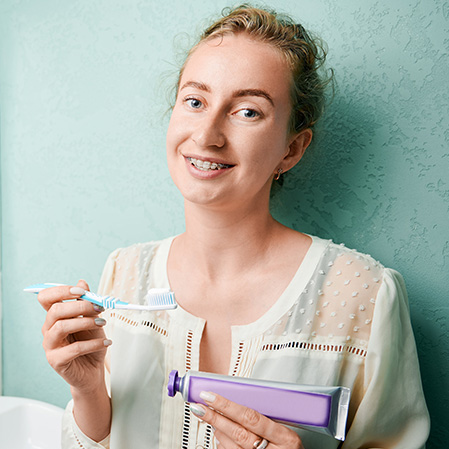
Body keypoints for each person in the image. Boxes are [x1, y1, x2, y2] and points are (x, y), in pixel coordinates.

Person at [37, 5, 430, 449]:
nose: (206, 135)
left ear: (292, 149)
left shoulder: (364, 296)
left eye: (247, 112)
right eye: (195, 101)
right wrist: (87, 392)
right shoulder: (123, 274)